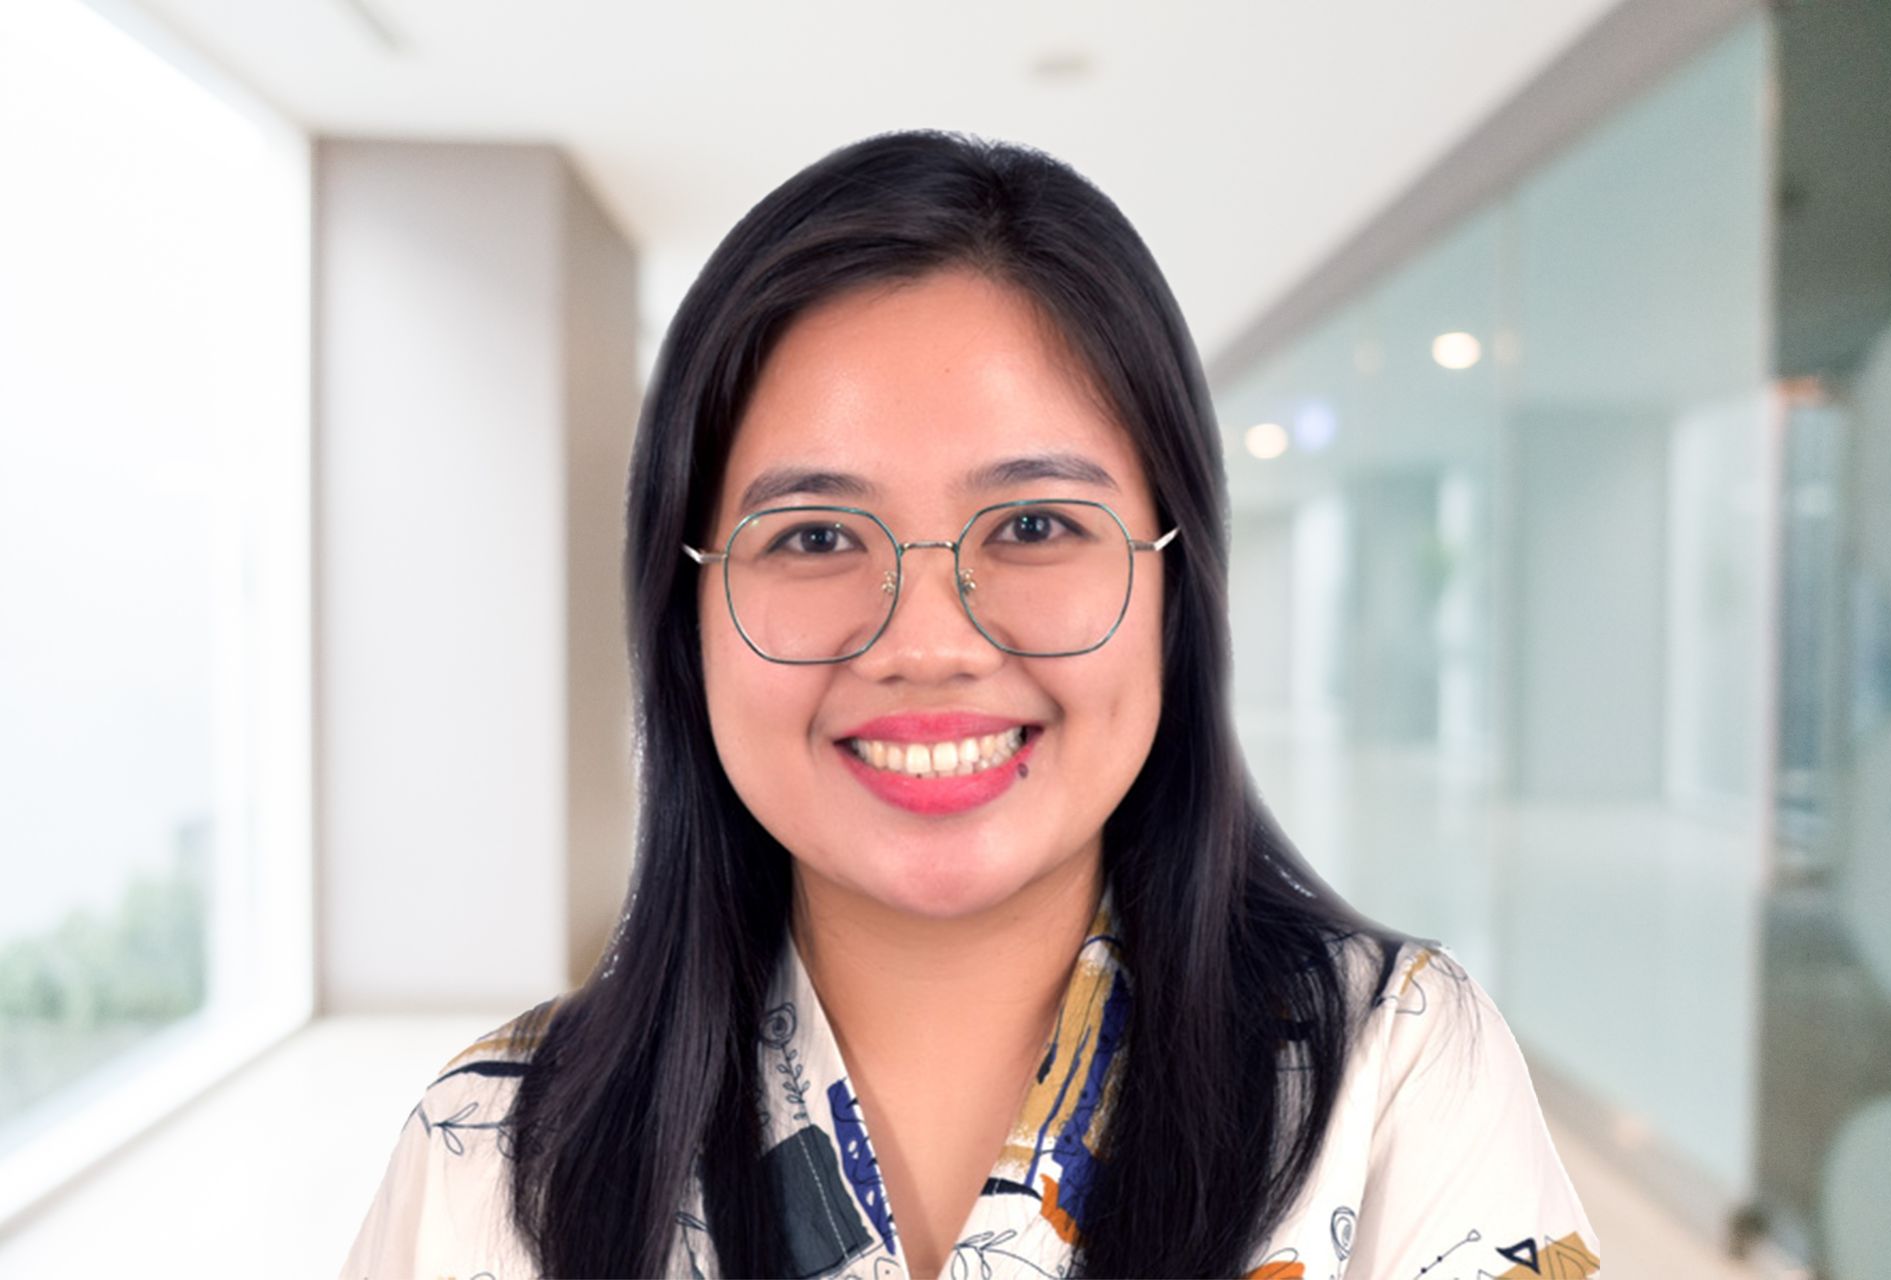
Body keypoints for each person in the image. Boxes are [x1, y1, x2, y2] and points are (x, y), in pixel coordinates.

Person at [339, 129, 1601, 1280]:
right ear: (690, 611)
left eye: (1038, 524)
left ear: (1178, 585)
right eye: (819, 533)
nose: (927, 642)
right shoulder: (495, 1151)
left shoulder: (1392, 1076)